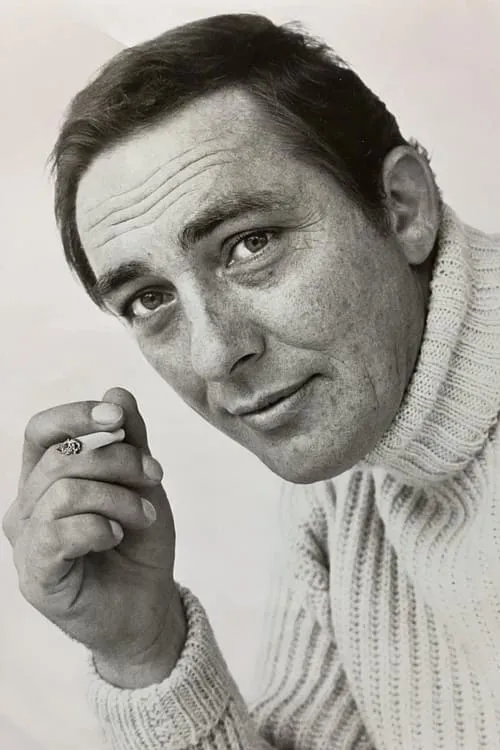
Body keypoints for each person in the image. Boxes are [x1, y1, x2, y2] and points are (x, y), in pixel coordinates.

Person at [3, 12, 500, 750]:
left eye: (250, 244)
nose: (213, 355)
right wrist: (144, 651)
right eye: (150, 299)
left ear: (403, 207)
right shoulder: (351, 475)